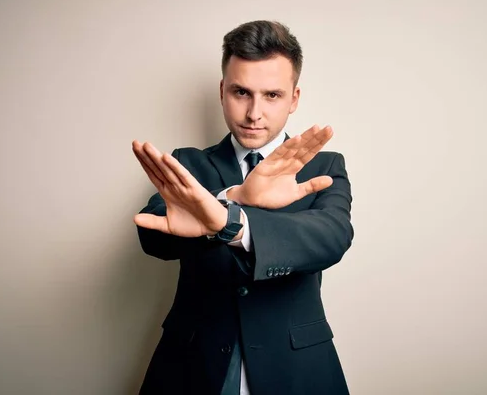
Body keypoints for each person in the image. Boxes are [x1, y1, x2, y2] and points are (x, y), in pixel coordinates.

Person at [133, 20, 353, 395]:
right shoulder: (188, 163)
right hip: (193, 365)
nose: (254, 113)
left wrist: (229, 221)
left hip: (296, 367)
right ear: (222, 91)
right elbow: (154, 235)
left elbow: (331, 238)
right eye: (241, 92)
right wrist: (234, 197)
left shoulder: (324, 165)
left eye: (272, 95)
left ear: (294, 98)